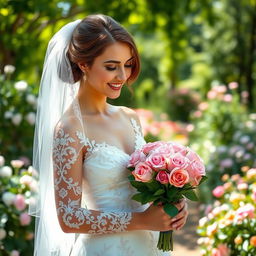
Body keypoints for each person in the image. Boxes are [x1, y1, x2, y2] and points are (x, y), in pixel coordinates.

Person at [31, 14, 188, 256]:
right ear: (84, 64)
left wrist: (173, 203)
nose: (123, 76)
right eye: (111, 67)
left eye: (127, 64)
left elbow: (142, 188)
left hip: (150, 248)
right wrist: (142, 220)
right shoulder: (70, 129)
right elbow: (69, 218)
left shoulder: (130, 118)